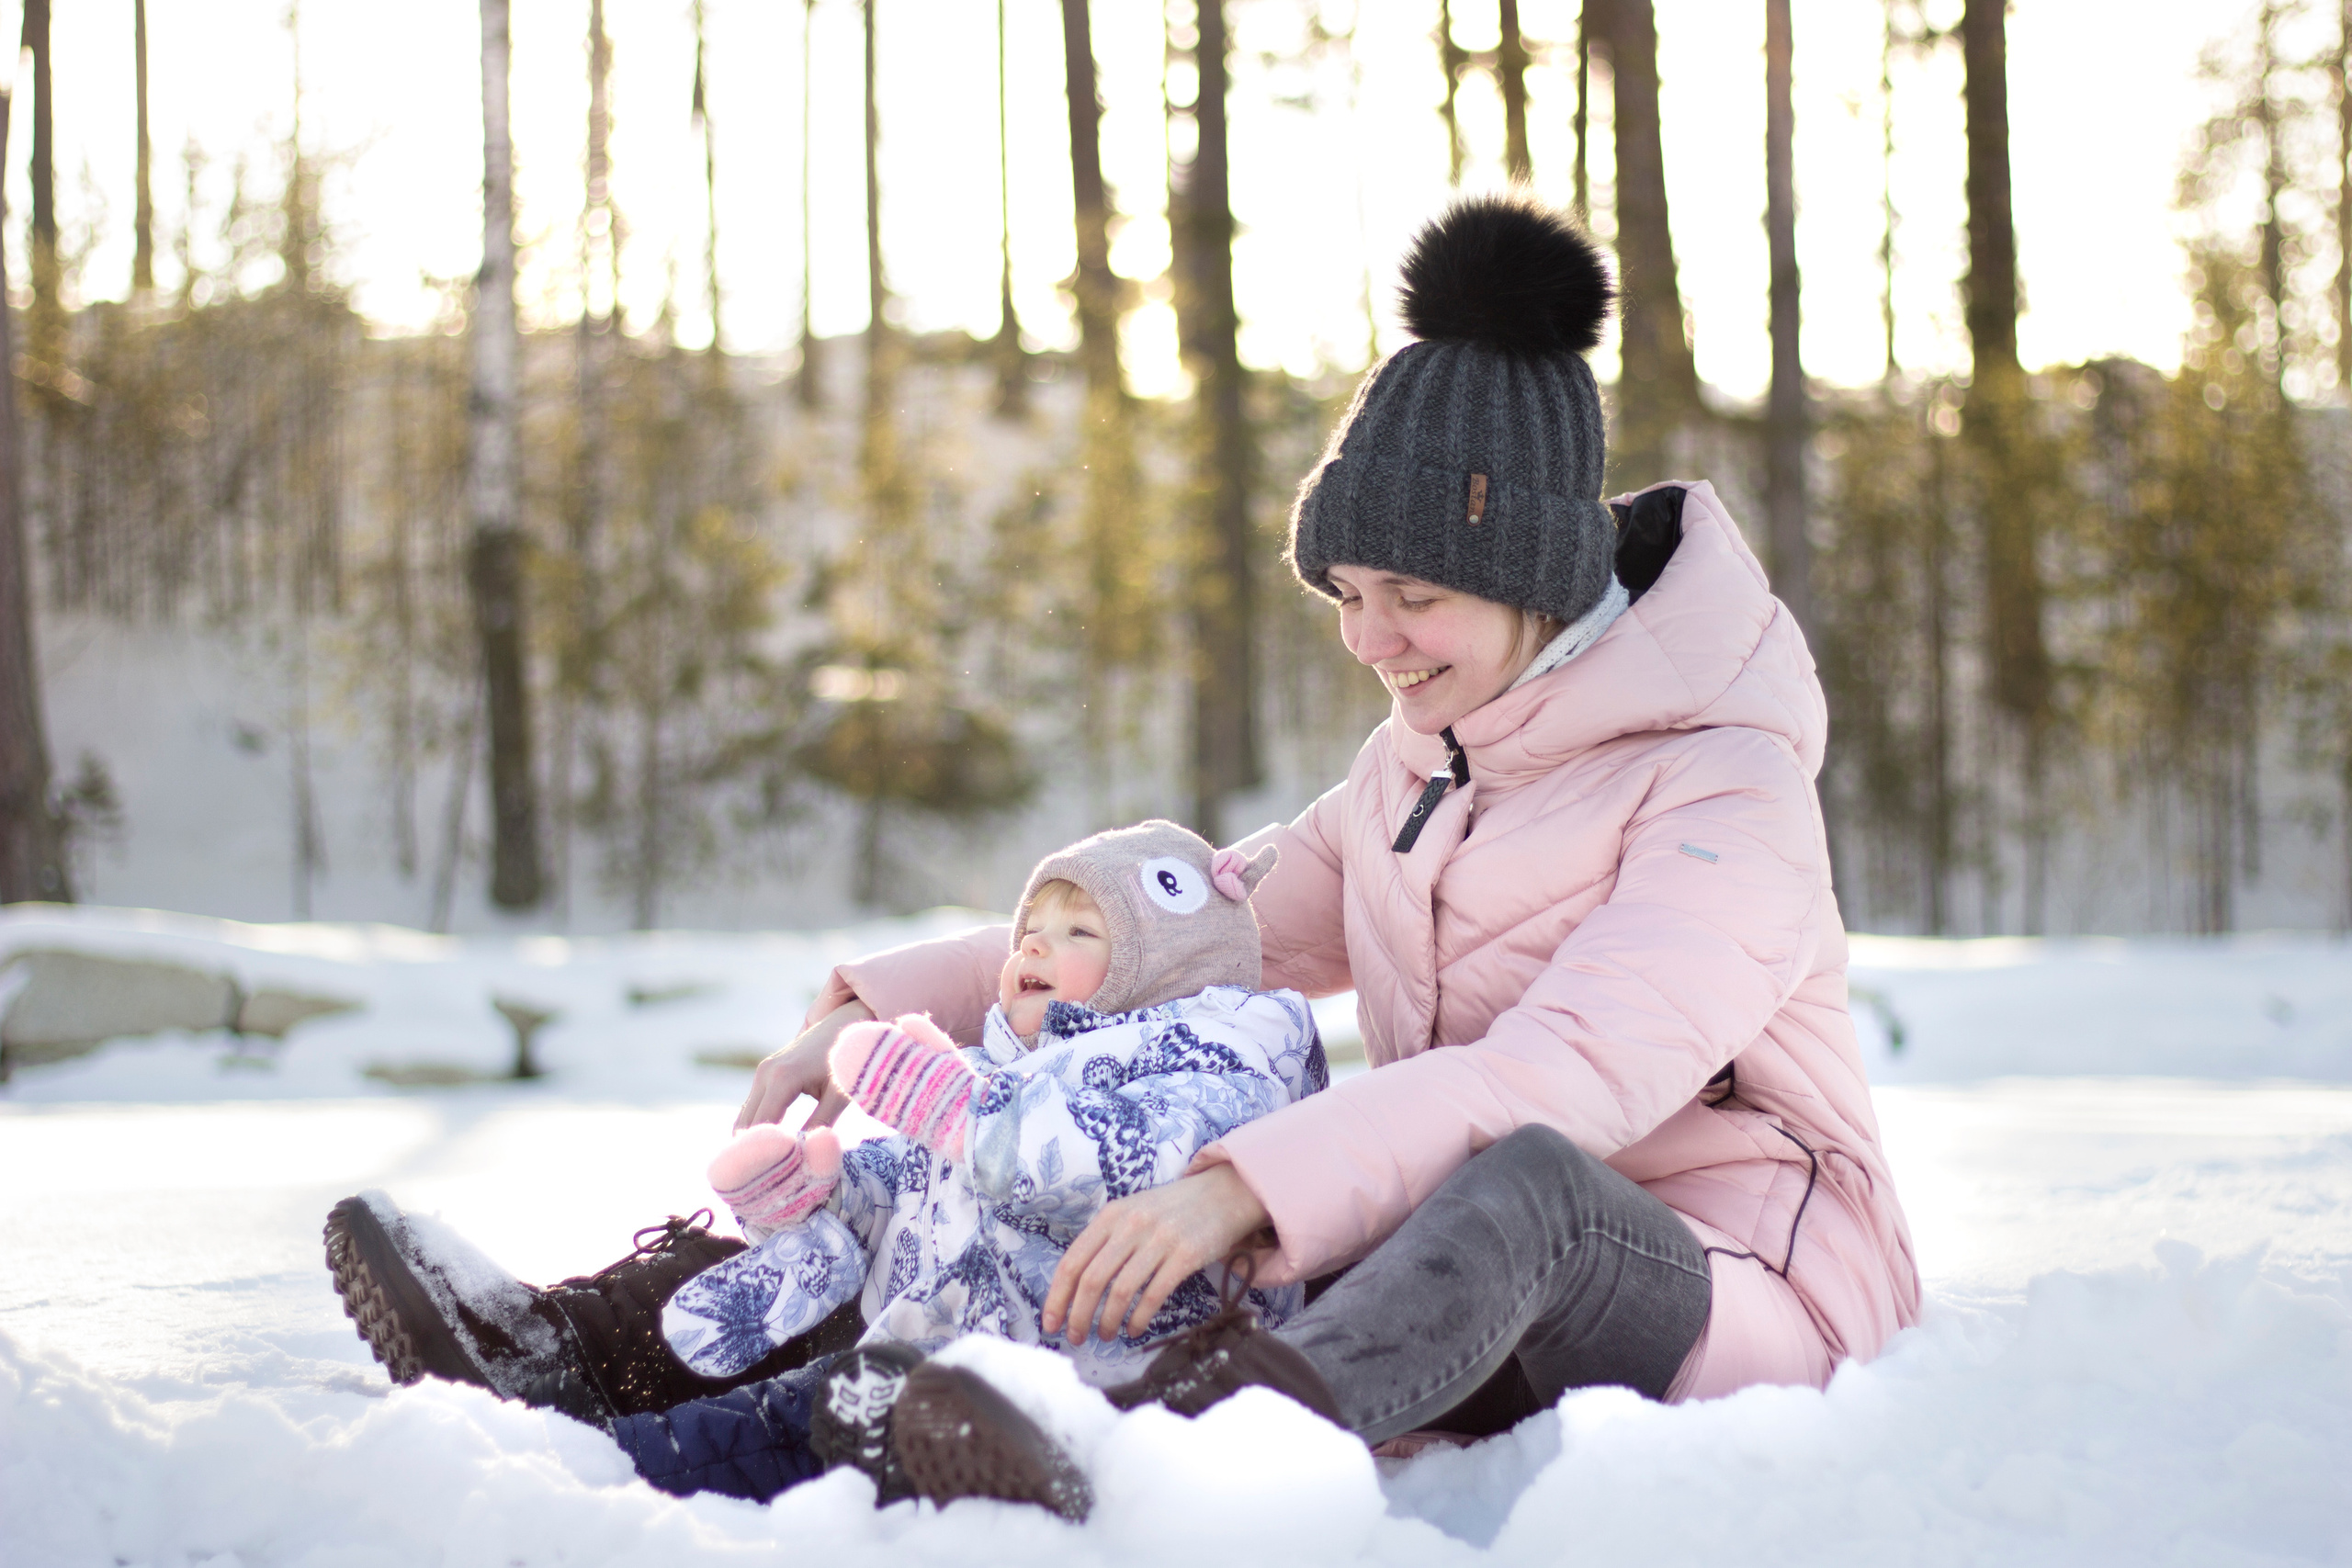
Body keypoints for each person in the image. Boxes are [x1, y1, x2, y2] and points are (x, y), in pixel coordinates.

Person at [721, 192, 1921, 1478]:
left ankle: (1156, 1452)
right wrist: (872, 1013)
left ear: (1545, 580)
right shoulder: (1413, 773)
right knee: (1054, 1139)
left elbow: (1562, 1076)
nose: (1370, 637)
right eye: (1350, 594)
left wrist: (1249, 1181)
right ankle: (643, 1357)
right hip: (1461, 1277)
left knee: (1522, 1183)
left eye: (1416, 595)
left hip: (1743, 1282)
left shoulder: (1728, 788)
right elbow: (1175, 932)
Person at [323, 821, 1320, 1512]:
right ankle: (554, 1355)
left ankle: (595, 1476)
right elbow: (927, 1191)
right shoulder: (1017, 1059)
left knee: (809, 1408)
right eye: (1029, 930)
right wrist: (826, 1191)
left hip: (1089, 1375)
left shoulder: (1214, 1053)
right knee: (769, 1289)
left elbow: (1118, 1164)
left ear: (1164, 962)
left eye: (1078, 933)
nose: (1031, 949)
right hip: (948, 1332)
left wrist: (964, 1114)